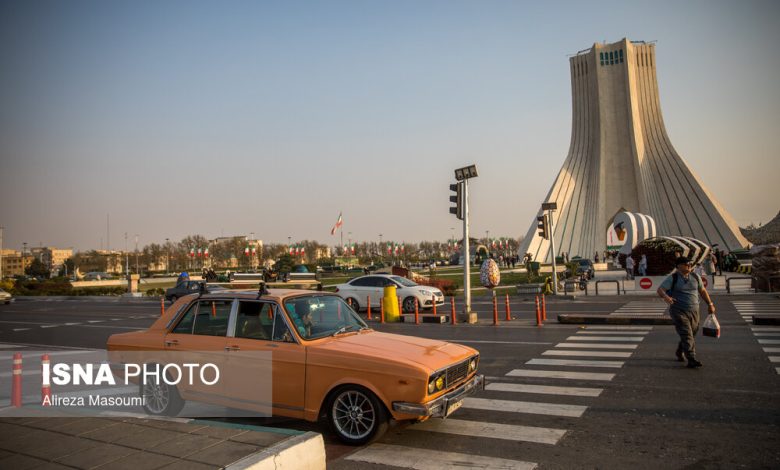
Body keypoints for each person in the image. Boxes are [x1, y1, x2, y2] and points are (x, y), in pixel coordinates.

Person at [656, 256, 716, 368]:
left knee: (692, 334)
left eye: (690, 263)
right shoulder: (673, 278)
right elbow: (660, 290)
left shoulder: (695, 276)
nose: (689, 265)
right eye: (686, 263)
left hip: (694, 310)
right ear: (678, 266)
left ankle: (680, 350)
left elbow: (702, 291)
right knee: (687, 334)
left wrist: (710, 304)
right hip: (678, 310)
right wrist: (666, 297)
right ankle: (691, 358)